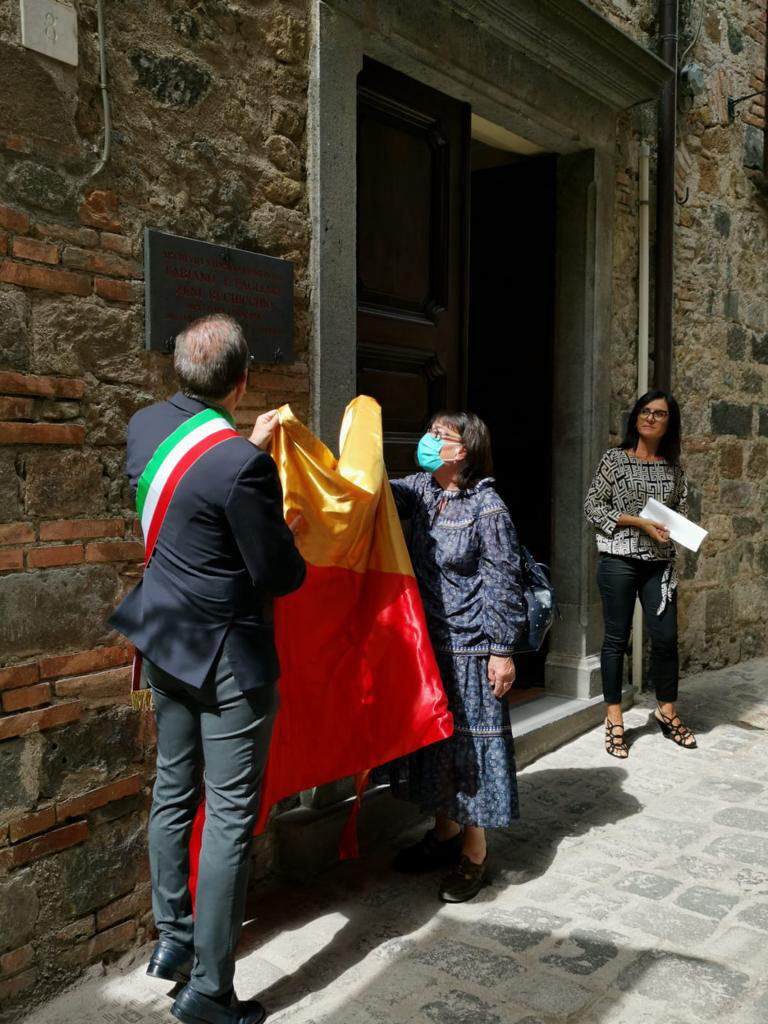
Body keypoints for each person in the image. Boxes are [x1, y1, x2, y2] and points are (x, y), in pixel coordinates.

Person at [109, 314, 305, 1024]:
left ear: (178, 370)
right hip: (227, 659)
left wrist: (241, 447)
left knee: (172, 788)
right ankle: (211, 993)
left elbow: (194, 492)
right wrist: (288, 526)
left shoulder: (144, 427)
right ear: (242, 383)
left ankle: (174, 940)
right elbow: (279, 574)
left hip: (165, 640)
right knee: (227, 818)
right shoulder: (243, 467)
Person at [385, 411, 526, 902]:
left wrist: (501, 651)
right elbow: (376, 492)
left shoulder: (488, 507)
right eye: (429, 431)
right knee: (437, 743)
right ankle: (444, 832)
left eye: (438, 435)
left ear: (462, 450)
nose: (427, 440)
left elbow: (504, 581)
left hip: (472, 647)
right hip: (429, 644)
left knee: (470, 751)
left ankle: (474, 852)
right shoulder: (423, 491)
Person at [584, 389, 696, 758]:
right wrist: (639, 522)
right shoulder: (615, 460)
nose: (649, 417)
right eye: (645, 411)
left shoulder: (674, 469)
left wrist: (672, 530)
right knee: (616, 640)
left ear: (669, 423)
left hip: (659, 563)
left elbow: (680, 512)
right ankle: (614, 718)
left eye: (659, 413)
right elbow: (592, 506)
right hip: (618, 559)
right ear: (636, 417)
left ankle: (667, 711)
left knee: (666, 639)